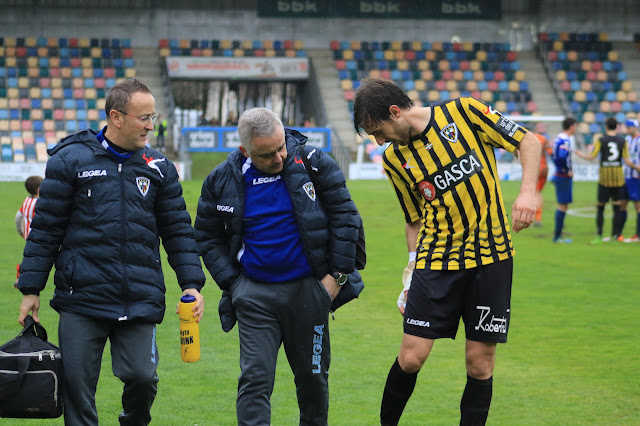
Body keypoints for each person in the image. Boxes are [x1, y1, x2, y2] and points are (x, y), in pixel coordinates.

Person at [16, 78, 206, 426]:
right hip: (81, 297)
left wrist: (191, 284)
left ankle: (133, 419)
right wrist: (31, 289)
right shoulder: (70, 160)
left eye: (153, 116)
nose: (152, 125)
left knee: (143, 377)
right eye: (144, 117)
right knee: (77, 389)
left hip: (139, 296)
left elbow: (178, 231)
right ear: (116, 117)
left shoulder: (159, 167)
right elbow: (46, 230)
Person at [352, 77, 541, 426]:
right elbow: (413, 219)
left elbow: (528, 141)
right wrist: (410, 270)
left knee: (479, 363)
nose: (378, 141)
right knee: (411, 357)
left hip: (492, 257)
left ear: (395, 112)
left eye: (377, 130)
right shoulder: (395, 160)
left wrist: (528, 192)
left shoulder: (464, 112)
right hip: (436, 261)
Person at [194, 107, 363, 425]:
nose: (279, 157)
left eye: (281, 146)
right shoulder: (222, 180)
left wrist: (336, 278)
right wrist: (233, 284)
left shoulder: (313, 161)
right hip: (255, 297)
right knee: (255, 382)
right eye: (267, 153)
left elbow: (346, 216)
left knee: (313, 383)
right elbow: (205, 234)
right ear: (245, 150)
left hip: (309, 293)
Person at [576, 117, 640, 243]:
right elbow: (626, 160)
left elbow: (591, 156)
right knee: (618, 207)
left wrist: (580, 154)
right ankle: (615, 235)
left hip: (604, 179)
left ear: (606, 127)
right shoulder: (623, 141)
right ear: (617, 127)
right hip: (618, 179)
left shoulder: (601, 140)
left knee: (601, 207)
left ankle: (599, 235)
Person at [551, 117, 577, 243]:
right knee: (563, 205)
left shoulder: (558, 138)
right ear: (571, 126)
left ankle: (558, 234)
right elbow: (561, 156)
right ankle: (557, 236)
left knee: (563, 205)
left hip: (558, 174)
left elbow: (553, 155)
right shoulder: (565, 140)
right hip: (562, 176)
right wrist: (566, 170)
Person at [14, 175, 43, 287]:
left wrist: (21, 232)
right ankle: (21, 272)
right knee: (37, 259)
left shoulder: (26, 201)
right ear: (38, 189)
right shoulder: (40, 203)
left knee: (32, 257)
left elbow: (18, 217)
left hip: (28, 235)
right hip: (38, 236)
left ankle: (22, 276)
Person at [622, 119, 640, 242]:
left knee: (638, 206)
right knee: (622, 204)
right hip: (627, 177)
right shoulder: (627, 140)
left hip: (636, 177)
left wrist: (633, 166)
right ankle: (618, 234)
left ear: (635, 128)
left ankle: (638, 235)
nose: (626, 129)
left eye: (629, 127)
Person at [533, 122, 552, 226]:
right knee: (539, 193)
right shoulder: (544, 139)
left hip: (535, 168)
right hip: (544, 167)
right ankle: (538, 218)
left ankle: (537, 219)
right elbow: (551, 152)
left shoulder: (529, 138)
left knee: (535, 193)